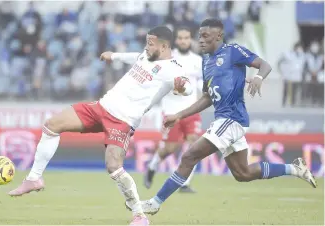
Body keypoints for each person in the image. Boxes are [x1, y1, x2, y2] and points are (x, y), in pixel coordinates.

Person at [125, 18, 317, 215]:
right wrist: (180, 115)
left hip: (232, 119)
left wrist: (258, 78)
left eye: (205, 36)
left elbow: (264, 65)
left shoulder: (233, 51)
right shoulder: (206, 61)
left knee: (189, 156)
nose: (200, 40)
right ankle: (294, 169)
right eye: (199, 36)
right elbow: (207, 98)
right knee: (243, 173)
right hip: (224, 120)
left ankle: (155, 202)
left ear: (219, 36)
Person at [8, 26, 194, 226]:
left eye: (150, 43)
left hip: (123, 121)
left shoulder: (174, 68)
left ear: (164, 46)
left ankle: (139, 216)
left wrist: (183, 87)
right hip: (101, 107)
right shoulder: (145, 56)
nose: (146, 46)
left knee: (113, 166)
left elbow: (188, 87)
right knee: (52, 124)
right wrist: (113, 56)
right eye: (146, 42)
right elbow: (133, 56)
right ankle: (34, 178)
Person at [145, 27, 203, 193]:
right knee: (170, 148)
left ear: (190, 40)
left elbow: (199, 82)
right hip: (171, 111)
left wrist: (201, 91)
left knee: (194, 145)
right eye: (180, 38)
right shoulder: (168, 58)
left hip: (191, 110)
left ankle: (184, 183)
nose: (183, 41)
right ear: (176, 40)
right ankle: (153, 165)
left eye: (186, 38)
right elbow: (158, 79)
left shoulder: (198, 60)